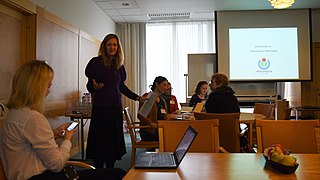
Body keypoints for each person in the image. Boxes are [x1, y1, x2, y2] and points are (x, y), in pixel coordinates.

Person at [0, 60, 126, 180]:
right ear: (36, 88)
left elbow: (26, 145)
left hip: (26, 174)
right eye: (48, 86)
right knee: (118, 174)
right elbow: (57, 165)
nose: (49, 91)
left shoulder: (13, 114)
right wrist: (67, 139)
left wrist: (52, 134)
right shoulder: (33, 118)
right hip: (41, 176)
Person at [85, 34, 144, 168]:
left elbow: (121, 87)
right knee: (99, 146)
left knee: (112, 146)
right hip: (101, 110)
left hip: (115, 110)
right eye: (109, 45)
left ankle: (110, 171)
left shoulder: (119, 66)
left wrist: (138, 98)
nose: (112, 47)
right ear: (104, 47)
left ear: (118, 47)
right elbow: (89, 86)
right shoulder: (95, 63)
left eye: (115, 45)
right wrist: (94, 87)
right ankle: (99, 172)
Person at [137, 76, 169, 141]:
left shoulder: (162, 99)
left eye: (167, 85)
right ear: (157, 85)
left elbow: (164, 115)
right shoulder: (148, 97)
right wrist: (151, 123)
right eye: (164, 85)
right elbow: (140, 115)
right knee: (170, 137)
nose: (166, 88)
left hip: (160, 127)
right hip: (150, 130)